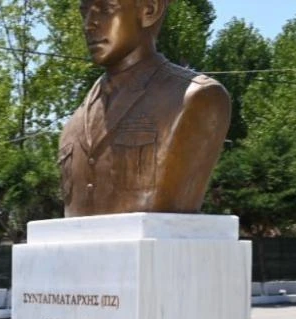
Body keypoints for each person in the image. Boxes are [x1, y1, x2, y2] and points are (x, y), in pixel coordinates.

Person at [59, 0, 230, 217]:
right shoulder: (75, 123)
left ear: (150, 10)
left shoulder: (195, 98)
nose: (89, 24)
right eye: (85, 12)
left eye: (105, 9)